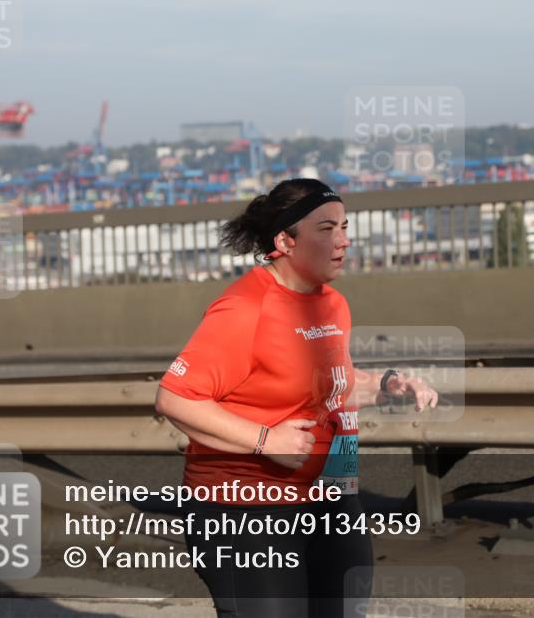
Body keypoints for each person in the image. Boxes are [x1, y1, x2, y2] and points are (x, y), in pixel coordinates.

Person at [155, 178, 439, 618]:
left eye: (345, 227)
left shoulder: (331, 305)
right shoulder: (246, 308)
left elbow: (333, 385)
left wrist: (388, 385)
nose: (343, 241)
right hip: (245, 512)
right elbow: (176, 398)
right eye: (326, 230)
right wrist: (265, 439)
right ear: (286, 241)